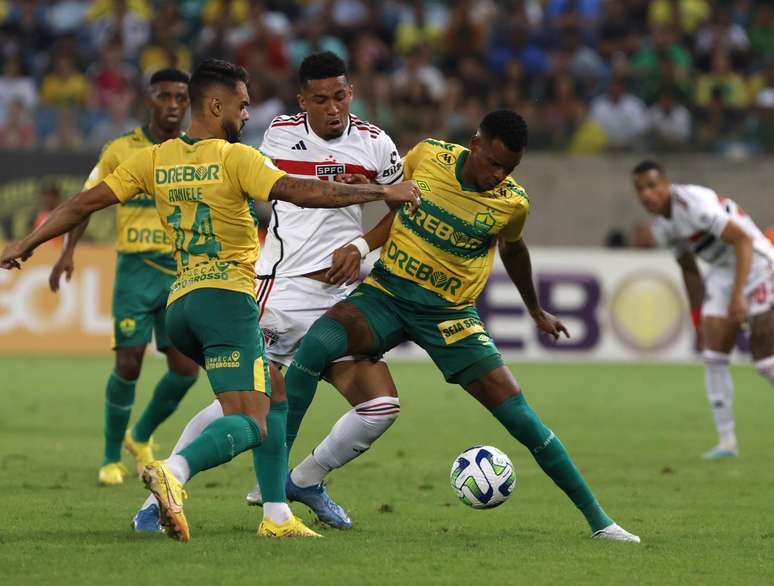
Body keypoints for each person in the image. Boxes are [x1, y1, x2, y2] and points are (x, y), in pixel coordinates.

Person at [0, 58, 421, 542]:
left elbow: (82, 202)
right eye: (242, 107)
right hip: (230, 300)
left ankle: (278, 515)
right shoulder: (235, 158)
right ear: (216, 104)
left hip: (181, 302)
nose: (247, 117)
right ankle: (173, 473)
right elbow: (301, 193)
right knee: (252, 422)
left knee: (272, 396)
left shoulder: (154, 159)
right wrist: (380, 189)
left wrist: (24, 245)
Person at [281, 110, 641, 543]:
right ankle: (276, 488)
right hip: (388, 294)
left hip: (450, 316)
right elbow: (396, 201)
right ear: (475, 144)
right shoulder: (428, 156)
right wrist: (365, 222)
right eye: (493, 162)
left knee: (522, 419)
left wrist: (534, 309)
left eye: (509, 168)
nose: (498, 174)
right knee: (318, 342)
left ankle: (600, 521)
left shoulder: (513, 203)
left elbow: (515, 250)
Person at [244, 52, 403, 528]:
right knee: (246, 406)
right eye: (320, 99)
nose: (332, 108)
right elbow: (309, 191)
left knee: (381, 408)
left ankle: (305, 479)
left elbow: (403, 210)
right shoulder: (279, 134)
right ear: (302, 101)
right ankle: (171, 480)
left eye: (340, 96)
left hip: (338, 300)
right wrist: (367, 193)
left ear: (350, 92)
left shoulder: (377, 145)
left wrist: (360, 244)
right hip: (282, 291)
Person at [48, 69, 200, 487]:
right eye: (164, 96)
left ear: (190, 103)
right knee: (129, 363)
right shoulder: (121, 149)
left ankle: (140, 434)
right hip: (135, 270)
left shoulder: (196, 150)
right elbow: (86, 201)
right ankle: (110, 457)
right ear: (148, 99)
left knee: (186, 370)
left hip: (181, 271)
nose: (173, 105)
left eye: (181, 98)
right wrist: (67, 252)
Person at [632, 160, 774, 459]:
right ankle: (727, 442)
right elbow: (690, 272)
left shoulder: (694, 204)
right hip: (724, 272)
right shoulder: (663, 228)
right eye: (640, 189)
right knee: (713, 355)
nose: (647, 194)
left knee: (764, 360)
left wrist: (738, 298)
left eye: (652, 186)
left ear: (666, 184)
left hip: (758, 263)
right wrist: (698, 320)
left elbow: (744, 240)